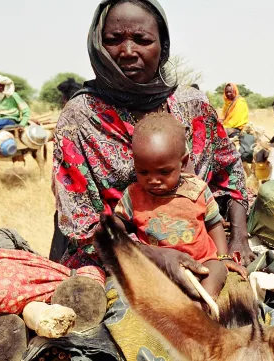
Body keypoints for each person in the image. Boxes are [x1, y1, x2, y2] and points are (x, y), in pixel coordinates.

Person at [51, 0, 254, 274]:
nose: (127, 51)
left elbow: (230, 175)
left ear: (163, 46)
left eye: (142, 40)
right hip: (117, 258)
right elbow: (80, 223)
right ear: (98, 45)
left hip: (202, 247)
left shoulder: (192, 105)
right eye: (113, 40)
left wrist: (239, 236)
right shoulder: (79, 118)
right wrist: (151, 255)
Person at [113, 113, 247, 300]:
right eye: (143, 172)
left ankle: (203, 305)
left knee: (217, 271)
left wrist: (223, 257)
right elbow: (117, 222)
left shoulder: (197, 190)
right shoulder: (133, 195)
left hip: (202, 261)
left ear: (182, 163)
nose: (153, 180)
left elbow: (214, 224)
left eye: (164, 172)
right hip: (159, 265)